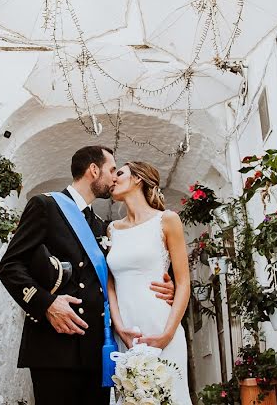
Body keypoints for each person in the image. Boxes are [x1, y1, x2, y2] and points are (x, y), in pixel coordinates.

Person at [0, 146, 176, 405]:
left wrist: (164, 285)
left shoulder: (101, 226)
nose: (115, 177)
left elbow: (115, 277)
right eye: (112, 170)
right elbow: (10, 265)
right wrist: (46, 304)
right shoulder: (46, 206)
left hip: (96, 351)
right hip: (56, 348)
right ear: (94, 170)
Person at [106, 161, 192, 405]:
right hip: (127, 333)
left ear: (137, 179)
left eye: (119, 173)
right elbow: (110, 284)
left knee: (169, 397)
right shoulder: (112, 230)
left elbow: (184, 282)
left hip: (161, 325)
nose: (113, 179)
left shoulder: (167, 220)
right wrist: (119, 327)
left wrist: (167, 334)